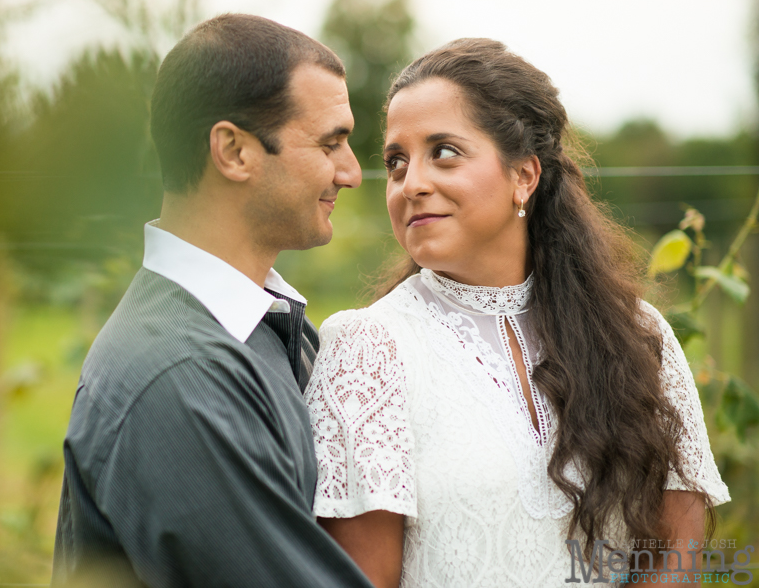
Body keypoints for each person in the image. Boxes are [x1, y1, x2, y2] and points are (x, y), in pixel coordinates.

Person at [303, 38, 731, 587]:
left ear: (524, 176)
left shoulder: (638, 335)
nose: (412, 184)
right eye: (396, 162)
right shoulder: (368, 349)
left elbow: (677, 557)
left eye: (444, 152)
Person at [51, 13, 376, 588]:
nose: (350, 173)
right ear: (233, 151)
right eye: (331, 143)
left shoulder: (259, 327)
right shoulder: (179, 377)